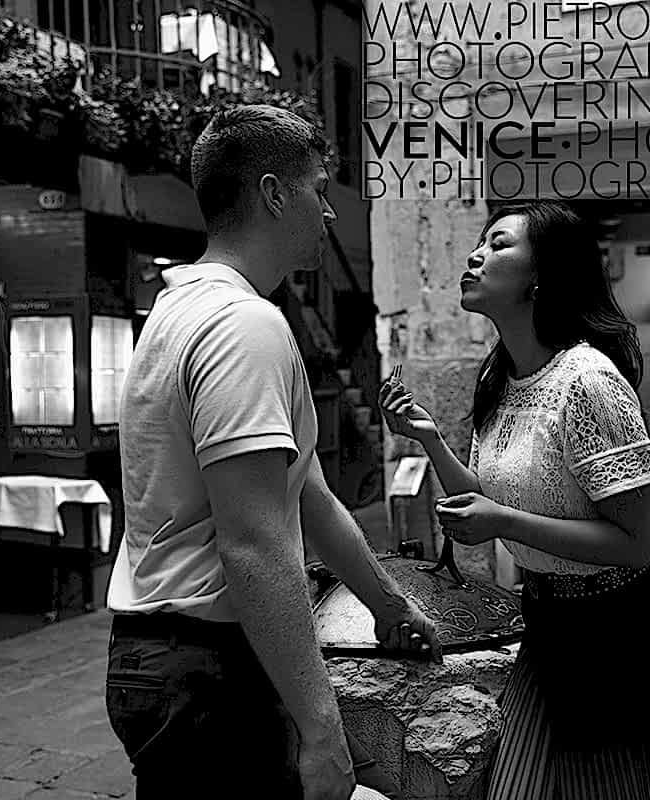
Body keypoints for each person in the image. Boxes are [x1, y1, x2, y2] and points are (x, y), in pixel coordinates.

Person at [106, 104, 441, 800]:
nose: (329, 213)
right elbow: (254, 544)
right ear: (273, 193)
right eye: (320, 188)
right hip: (207, 673)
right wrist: (324, 735)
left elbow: (308, 493)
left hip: (169, 660)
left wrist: (388, 605)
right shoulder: (242, 326)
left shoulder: (185, 309)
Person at [380, 201, 650, 799]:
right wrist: (428, 439)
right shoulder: (500, 379)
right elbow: (484, 501)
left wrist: (502, 521)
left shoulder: (588, 381)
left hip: (622, 646)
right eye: (480, 241)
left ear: (542, 276)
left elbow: (636, 545)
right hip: (549, 631)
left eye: (499, 244)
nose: (476, 254)